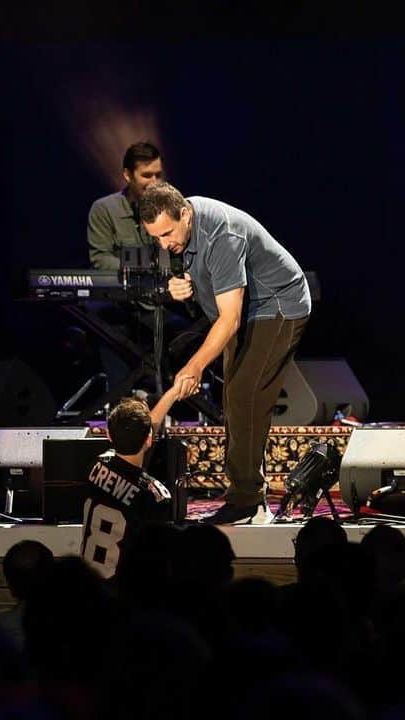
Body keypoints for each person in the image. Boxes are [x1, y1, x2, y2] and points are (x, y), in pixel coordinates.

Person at [138, 181, 311, 524]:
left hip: (277, 304)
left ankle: (247, 502)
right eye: (155, 238)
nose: (164, 243)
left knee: (245, 395)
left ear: (185, 213)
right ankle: (246, 492)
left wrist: (195, 366)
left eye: (167, 233)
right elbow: (207, 286)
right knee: (234, 397)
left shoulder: (223, 234)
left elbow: (230, 320)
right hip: (243, 311)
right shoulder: (182, 229)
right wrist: (179, 284)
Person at [81, 384, 180, 578]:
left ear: (108, 434)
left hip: (89, 588)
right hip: (125, 596)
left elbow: (145, 430)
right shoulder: (155, 494)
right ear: (149, 440)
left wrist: (172, 394)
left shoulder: (96, 465)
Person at [87, 141, 166, 270]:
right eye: (147, 175)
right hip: (122, 286)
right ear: (127, 175)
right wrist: (141, 268)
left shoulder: (167, 208)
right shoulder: (103, 209)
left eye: (158, 175)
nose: (154, 182)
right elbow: (100, 258)